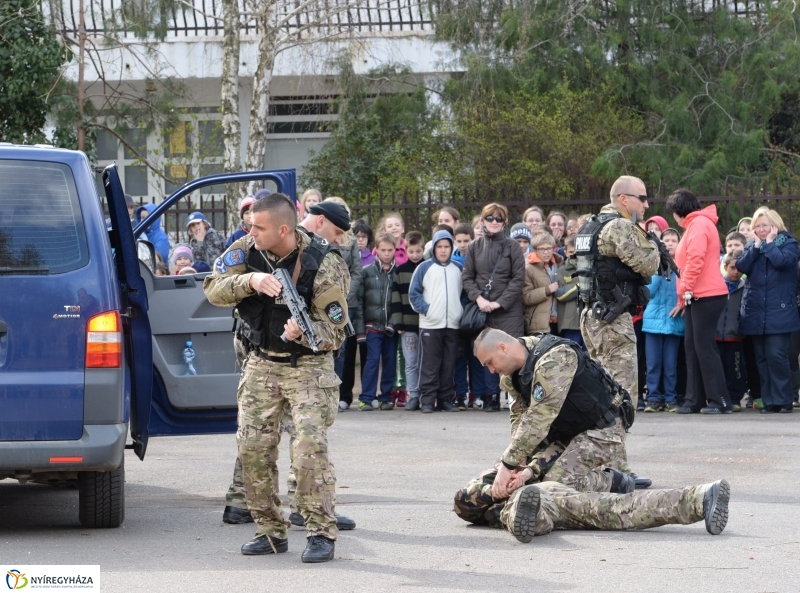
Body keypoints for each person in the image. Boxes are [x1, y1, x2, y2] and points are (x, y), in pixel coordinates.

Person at [203, 193, 349, 563]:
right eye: (251, 224)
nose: (251, 231)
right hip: (261, 363)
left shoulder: (323, 262)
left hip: (308, 368)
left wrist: (306, 331)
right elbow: (212, 289)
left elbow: (337, 331)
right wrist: (250, 280)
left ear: (283, 229)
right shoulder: (246, 248)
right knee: (252, 449)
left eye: (259, 226)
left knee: (308, 450)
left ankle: (320, 532)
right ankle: (270, 530)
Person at [457, 328, 637, 515]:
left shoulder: (555, 358)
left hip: (602, 429)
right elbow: (519, 418)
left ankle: (613, 481)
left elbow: (539, 417)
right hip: (566, 431)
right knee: (523, 478)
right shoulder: (511, 376)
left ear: (503, 348)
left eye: (490, 363)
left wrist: (508, 464)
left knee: (554, 485)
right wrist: (521, 463)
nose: (492, 370)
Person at [576, 175, 660, 409]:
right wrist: (653, 242)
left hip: (591, 316)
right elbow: (648, 265)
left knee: (601, 387)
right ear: (623, 199)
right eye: (642, 198)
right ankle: (613, 442)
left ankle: (599, 441)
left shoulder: (590, 225)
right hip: (611, 320)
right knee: (621, 393)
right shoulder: (620, 226)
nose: (646, 205)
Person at [455, 476, 730, 542]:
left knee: (615, 509)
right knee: (617, 509)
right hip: (544, 503)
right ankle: (702, 497)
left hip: (545, 490)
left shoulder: (500, 473)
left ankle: (700, 498)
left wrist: (498, 487)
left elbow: (463, 502)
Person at [667, 189, 730, 415]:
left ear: (679, 211)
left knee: (704, 347)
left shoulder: (700, 225)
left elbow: (695, 260)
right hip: (697, 295)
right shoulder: (695, 224)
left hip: (707, 294)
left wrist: (684, 290)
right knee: (693, 347)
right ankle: (695, 400)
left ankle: (719, 400)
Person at [301, 199, 364, 414]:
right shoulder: (282, 242)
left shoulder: (331, 258)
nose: (338, 239)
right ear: (320, 221)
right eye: (337, 232)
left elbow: (334, 322)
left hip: (313, 355)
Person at [462, 203, 526, 411]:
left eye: (499, 219)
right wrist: (479, 299)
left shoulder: (512, 246)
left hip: (509, 312)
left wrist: (499, 302)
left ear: (505, 222)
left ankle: (514, 396)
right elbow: (467, 277)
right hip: (483, 309)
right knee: (488, 353)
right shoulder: (474, 247)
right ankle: (491, 397)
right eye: (490, 218)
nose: (494, 222)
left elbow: (518, 279)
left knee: (511, 354)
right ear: (482, 221)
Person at [736, 207, 800, 414]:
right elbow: (741, 266)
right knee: (761, 357)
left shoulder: (789, 243)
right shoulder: (752, 247)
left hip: (780, 310)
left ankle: (784, 399)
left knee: (777, 355)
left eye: (765, 225)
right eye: (758, 226)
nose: (761, 230)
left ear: (775, 225)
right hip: (756, 310)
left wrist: (770, 243)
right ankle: (770, 400)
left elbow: (782, 261)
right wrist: (755, 247)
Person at [410, 230, 464, 413]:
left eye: (446, 247)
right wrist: (428, 310)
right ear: (434, 248)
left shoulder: (458, 268)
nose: (443, 250)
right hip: (430, 324)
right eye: (439, 247)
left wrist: (460, 311)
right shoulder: (424, 268)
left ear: (451, 248)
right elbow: (414, 293)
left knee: (449, 364)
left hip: (453, 324)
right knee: (429, 364)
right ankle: (427, 400)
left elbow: (465, 294)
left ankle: (445, 399)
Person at [642, 228, 684, 413]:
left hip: (673, 321)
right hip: (653, 322)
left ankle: (670, 398)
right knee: (653, 364)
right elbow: (648, 292)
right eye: (665, 240)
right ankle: (652, 397)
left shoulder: (683, 266)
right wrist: (661, 270)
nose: (669, 243)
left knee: (670, 364)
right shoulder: (653, 266)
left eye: (673, 240)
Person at [359, 233, 398, 410]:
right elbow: (360, 301)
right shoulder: (366, 271)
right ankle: (366, 397)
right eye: (383, 250)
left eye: (390, 250)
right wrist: (361, 328)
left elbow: (399, 301)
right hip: (372, 326)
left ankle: (385, 397)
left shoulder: (398, 272)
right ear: (377, 250)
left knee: (390, 361)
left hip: (391, 327)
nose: (387, 253)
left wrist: (393, 322)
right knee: (372, 360)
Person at [390, 231, 425, 410]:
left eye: (418, 251)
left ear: (423, 249)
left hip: (428, 325)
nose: (415, 255)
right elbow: (395, 299)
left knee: (425, 362)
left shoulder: (428, 268)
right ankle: (413, 395)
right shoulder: (400, 271)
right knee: (410, 362)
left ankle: (426, 394)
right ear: (406, 250)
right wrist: (398, 322)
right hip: (408, 326)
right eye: (411, 251)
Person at [717, 249, 747, 412]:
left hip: (735, 336)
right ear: (726, 267)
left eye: (739, 269)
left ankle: (735, 398)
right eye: (733, 268)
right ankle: (720, 397)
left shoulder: (744, 288)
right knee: (719, 368)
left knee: (735, 369)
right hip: (717, 336)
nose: (736, 272)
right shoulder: (718, 286)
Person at [523, 232, 562, 335]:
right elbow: (526, 297)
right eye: (542, 249)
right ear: (535, 250)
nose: (546, 252)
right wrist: (546, 290)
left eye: (549, 248)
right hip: (539, 323)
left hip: (559, 320)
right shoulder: (529, 269)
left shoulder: (560, 264)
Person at [554, 236, 584, 349]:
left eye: (578, 252)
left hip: (589, 323)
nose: (575, 255)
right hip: (570, 323)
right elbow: (560, 294)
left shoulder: (590, 268)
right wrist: (580, 286)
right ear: (566, 253)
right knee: (572, 355)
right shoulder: (562, 271)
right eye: (571, 252)